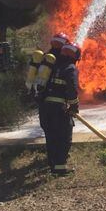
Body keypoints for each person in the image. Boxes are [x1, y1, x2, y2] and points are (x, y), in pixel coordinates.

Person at [39, 42, 80, 175]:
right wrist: (74, 106)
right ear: (74, 57)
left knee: (51, 137)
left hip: (45, 108)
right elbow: (72, 89)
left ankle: (53, 166)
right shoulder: (70, 68)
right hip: (58, 110)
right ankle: (60, 168)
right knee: (64, 137)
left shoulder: (52, 66)